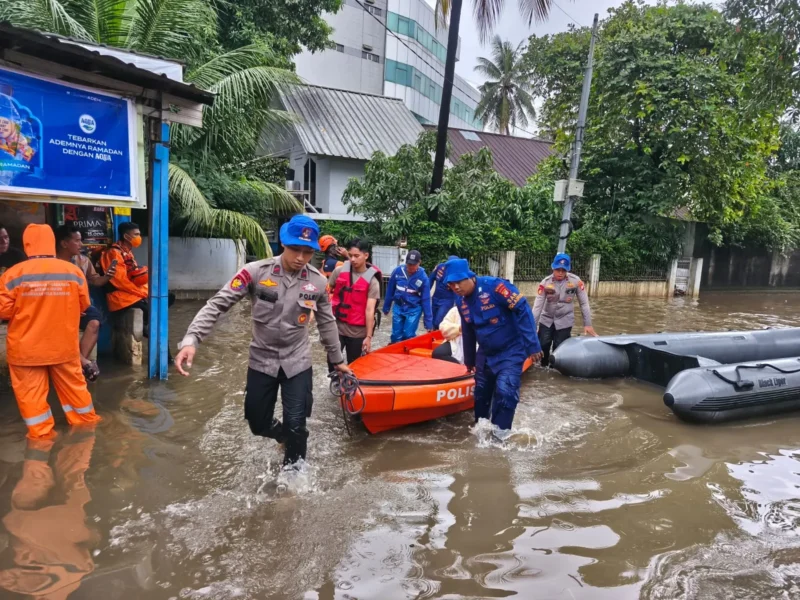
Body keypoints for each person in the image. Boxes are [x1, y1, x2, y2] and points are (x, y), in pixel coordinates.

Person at [173, 214, 353, 467]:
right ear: (283, 244)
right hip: (261, 359)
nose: (300, 257)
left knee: (297, 424)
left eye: (307, 252)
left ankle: (293, 479)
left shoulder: (318, 281)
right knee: (257, 423)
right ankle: (281, 437)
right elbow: (217, 305)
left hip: (298, 362)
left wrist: (338, 361)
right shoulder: (254, 272)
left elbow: (327, 322)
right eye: (294, 249)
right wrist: (191, 339)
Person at [0, 224, 101, 439]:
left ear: (27, 244)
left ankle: (41, 446)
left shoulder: (12, 274)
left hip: (25, 351)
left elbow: (5, 311)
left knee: (33, 402)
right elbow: (84, 305)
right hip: (63, 348)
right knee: (77, 397)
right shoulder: (73, 272)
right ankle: (86, 440)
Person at [443, 257, 542, 435]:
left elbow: (523, 309)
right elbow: (467, 329)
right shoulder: (460, 301)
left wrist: (533, 345)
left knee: (505, 391)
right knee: (480, 392)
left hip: (511, 349)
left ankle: (500, 437)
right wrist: (469, 361)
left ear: (470, 277)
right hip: (486, 352)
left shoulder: (496, 288)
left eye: (459, 281)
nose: (456, 287)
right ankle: (481, 431)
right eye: (451, 284)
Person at [0, 429, 98, 599]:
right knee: (35, 483)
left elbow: (92, 537)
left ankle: (80, 430)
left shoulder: (76, 578)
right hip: (31, 531)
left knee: (73, 477)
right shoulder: (31, 587)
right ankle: (42, 440)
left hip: (70, 533)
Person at [55, 224, 117, 381]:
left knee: (95, 322)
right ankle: (83, 363)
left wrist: (107, 277)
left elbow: (95, 281)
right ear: (64, 243)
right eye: (77, 241)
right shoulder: (51, 262)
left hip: (80, 305)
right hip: (57, 308)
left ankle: (78, 364)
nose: (81, 245)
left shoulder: (83, 260)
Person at [100, 221, 175, 349]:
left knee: (168, 296)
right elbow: (120, 282)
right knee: (153, 314)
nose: (139, 237)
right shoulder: (114, 253)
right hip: (119, 297)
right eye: (136, 234)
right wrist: (141, 293)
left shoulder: (128, 252)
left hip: (129, 294)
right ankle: (160, 348)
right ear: (126, 236)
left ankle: (146, 324)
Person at [532, 252, 597, 367]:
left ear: (567, 270)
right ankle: (542, 370)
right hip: (546, 320)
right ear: (553, 268)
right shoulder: (545, 283)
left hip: (565, 320)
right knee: (543, 345)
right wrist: (532, 327)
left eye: (563, 270)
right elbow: (537, 306)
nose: (560, 273)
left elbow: (584, 303)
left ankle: (555, 371)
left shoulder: (576, 281)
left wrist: (588, 324)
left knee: (560, 349)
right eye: (558, 270)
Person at [328, 238, 381, 364]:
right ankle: (335, 383)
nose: (352, 259)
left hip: (358, 333)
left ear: (366, 255)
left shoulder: (373, 282)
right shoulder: (338, 271)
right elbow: (326, 293)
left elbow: (370, 311)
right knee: (332, 363)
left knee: (354, 366)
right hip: (337, 328)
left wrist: (368, 337)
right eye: (350, 255)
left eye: (356, 256)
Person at [383, 250, 433, 343]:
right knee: (396, 336)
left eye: (414, 265)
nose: (411, 267)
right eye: (409, 264)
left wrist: (428, 322)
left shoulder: (423, 277)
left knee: (408, 334)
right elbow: (390, 290)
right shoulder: (398, 271)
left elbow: (426, 300)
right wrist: (386, 307)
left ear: (419, 263)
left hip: (413, 309)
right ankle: (396, 354)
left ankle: (407, 356)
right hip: (398, 307)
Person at [429, 255, 458, 329]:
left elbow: (457, 291)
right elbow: (431, 279)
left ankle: (439, 336)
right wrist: (425, 293)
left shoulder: (456, 275)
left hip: (447, 301)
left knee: (438, 322)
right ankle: (433, 338)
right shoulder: (440, 268)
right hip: (435, 298)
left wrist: (458, 304)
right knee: (431, 322)